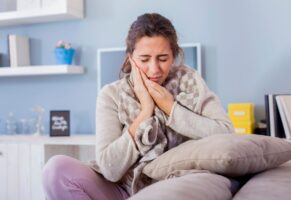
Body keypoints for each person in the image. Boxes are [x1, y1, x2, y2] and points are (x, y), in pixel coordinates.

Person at [42, 13, 234, 200]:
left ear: (174, 56)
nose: (154, 69)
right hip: (122, 188)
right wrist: (145, 112)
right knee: (55, 170)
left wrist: (171, 108)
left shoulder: (191, 83)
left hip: (174, 185)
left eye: (163, 58)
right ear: (130, 58)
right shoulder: (111, 94)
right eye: (144, 59)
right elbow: (110, 169)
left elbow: (226, 133)